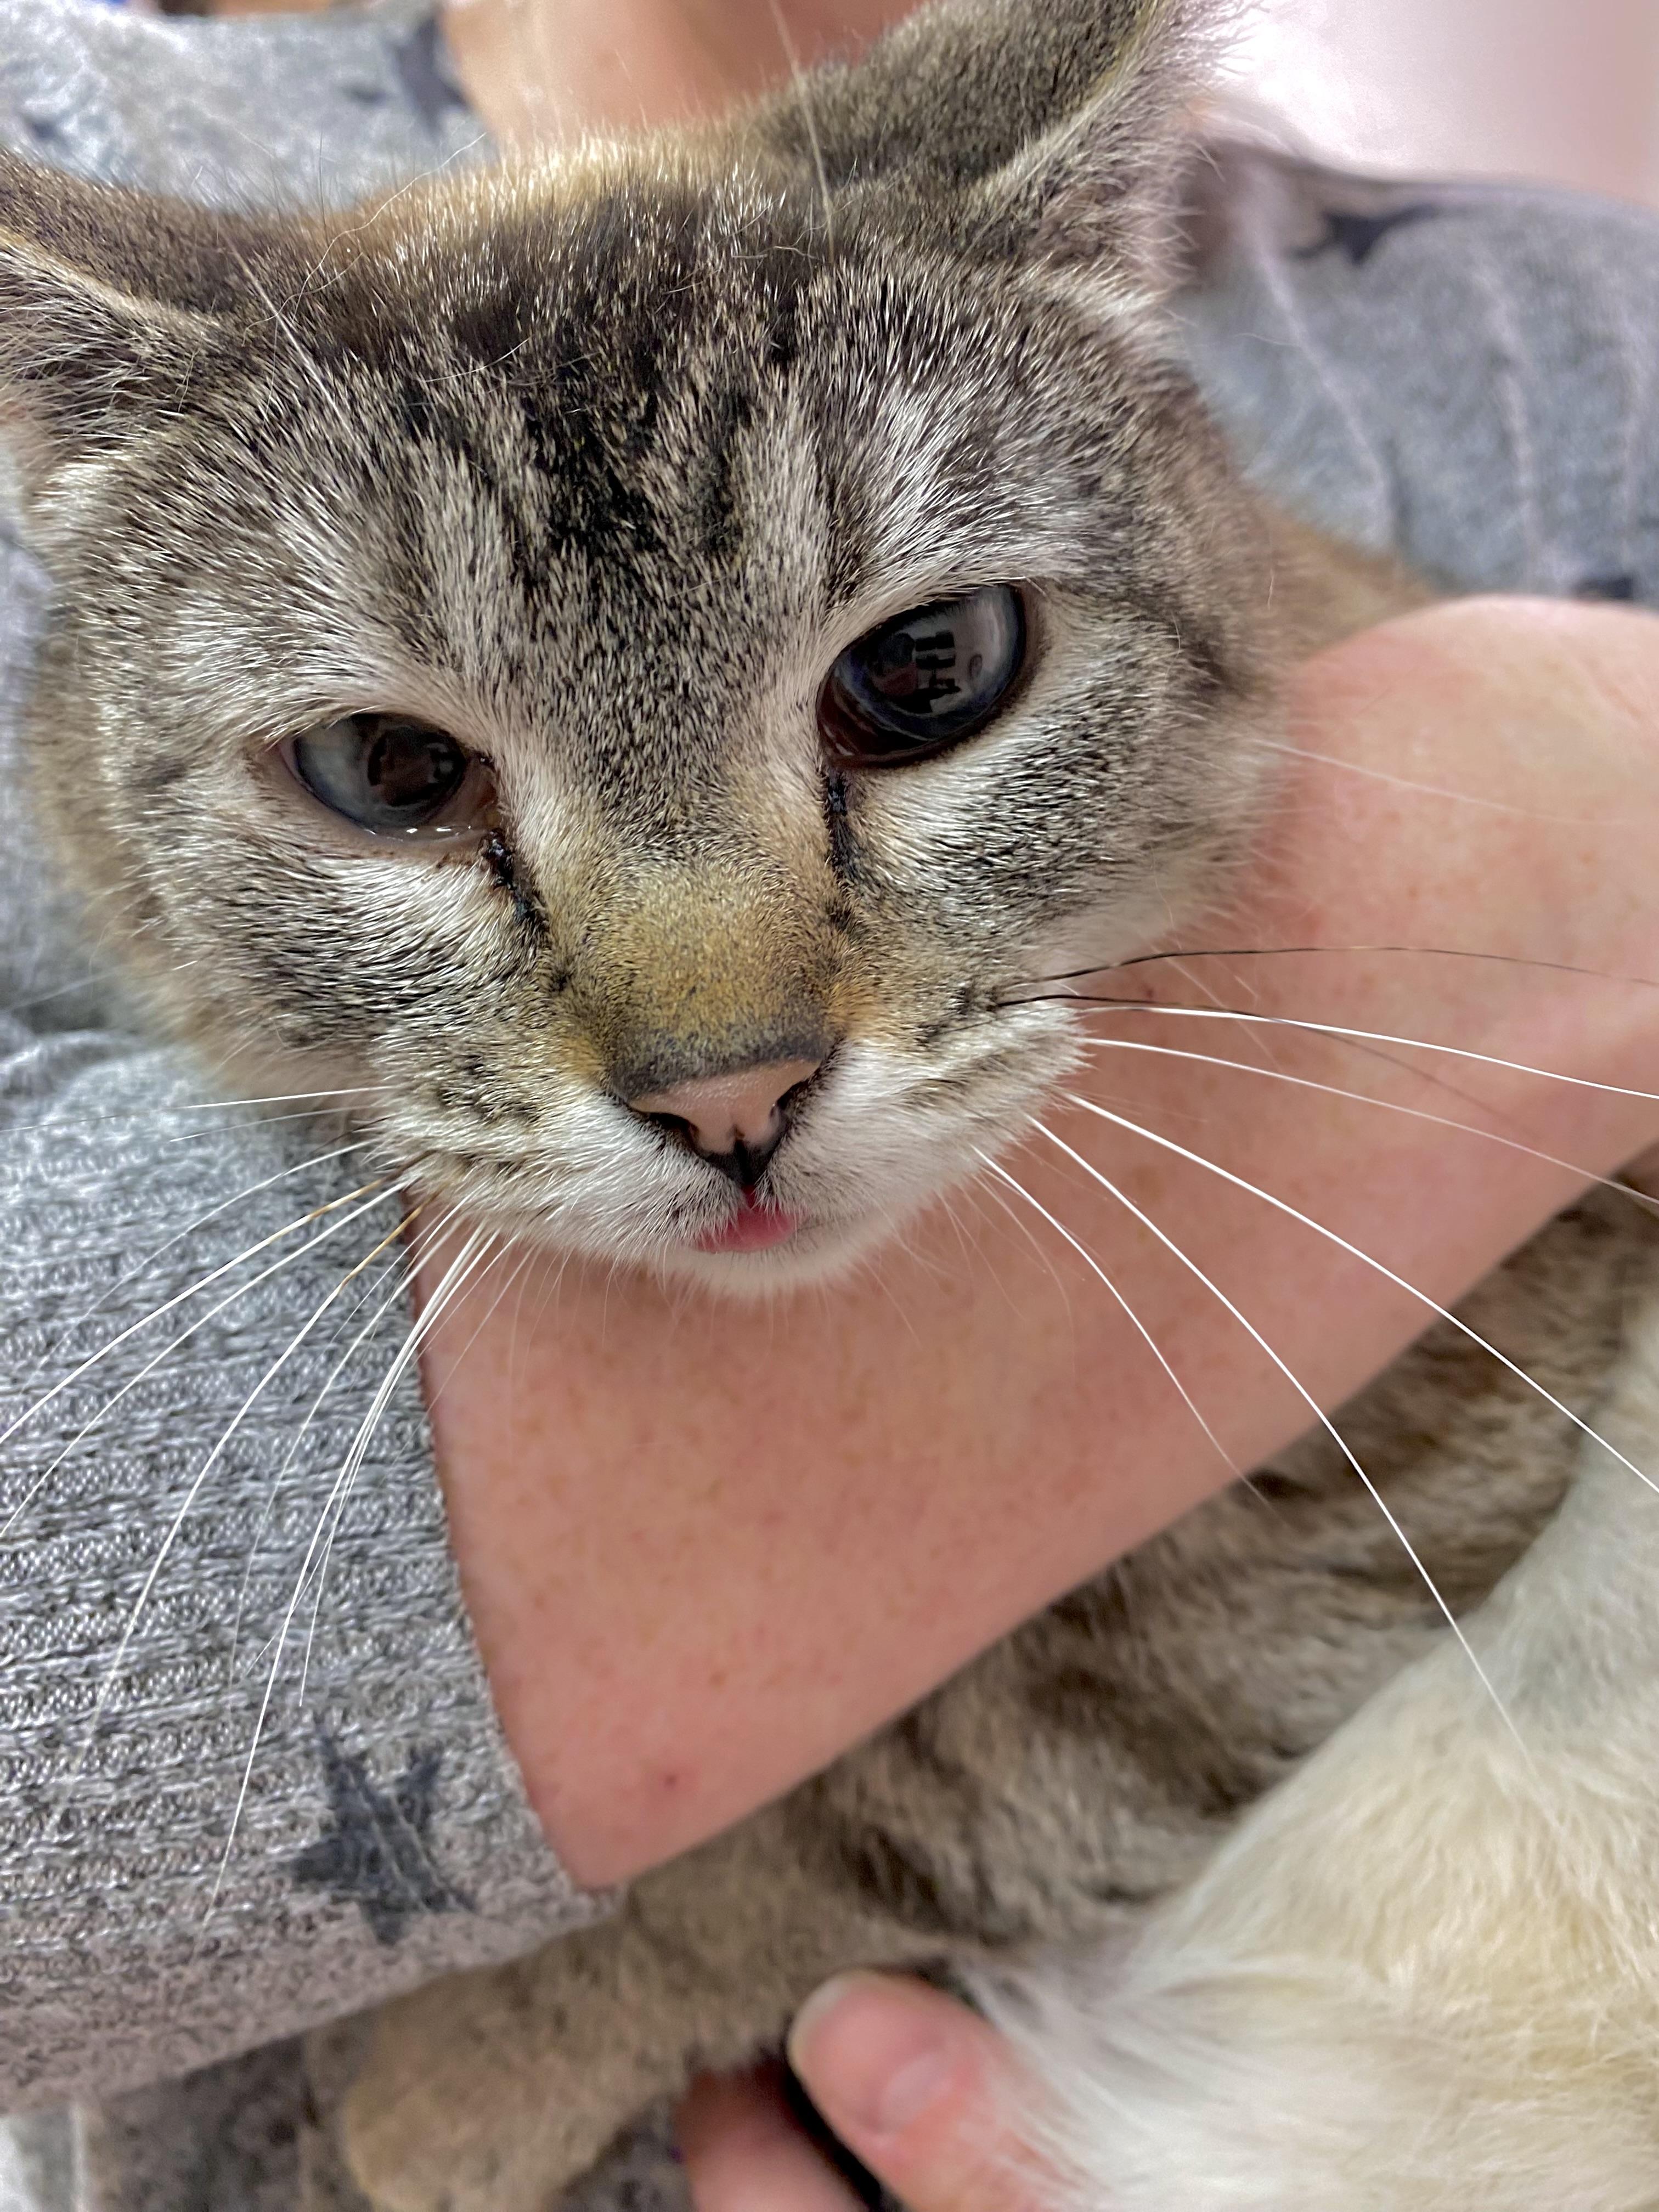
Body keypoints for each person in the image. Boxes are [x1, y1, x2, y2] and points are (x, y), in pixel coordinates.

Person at [3, 3, 1659, 2209]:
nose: (720, 1051)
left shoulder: (1586, 325)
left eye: (918, 679)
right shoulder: (72, 121)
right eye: (405, 776)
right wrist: (1539, 819)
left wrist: (693, 1941)